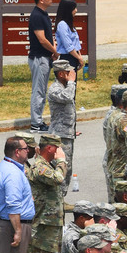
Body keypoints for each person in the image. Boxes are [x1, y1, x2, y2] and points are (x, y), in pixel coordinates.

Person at [28, 0, 57, 132]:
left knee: (42, 90)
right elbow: (41, 39)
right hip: (39, 59)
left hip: (45, 57)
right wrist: (54, 51)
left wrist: (52, 50)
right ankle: (36, 124)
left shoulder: (44, 14)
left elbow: (48, 37)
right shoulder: (36, 16)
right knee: (38, 91)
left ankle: (38, 121)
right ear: (41, 0)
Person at [46, 60, 77, 190]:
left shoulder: (64, 86)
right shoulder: (55, 89)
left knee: (68, 168)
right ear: (60, 74)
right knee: (61, 166)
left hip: (67, 133)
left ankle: (61, 198)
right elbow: (68, 97)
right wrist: (71, 82)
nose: (72, 74)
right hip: (59, 135)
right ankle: (58, 199)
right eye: (68, 72)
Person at [53, 0, 84, 73]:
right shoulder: (62, 25)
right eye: (74, 8)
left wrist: (79, 56)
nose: (76, 10)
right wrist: (79, 58)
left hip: (74, 56)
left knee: (73, 83)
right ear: (67, 10)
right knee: (69, 83)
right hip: (67, 58)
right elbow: (68, 46)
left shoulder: (69, 24)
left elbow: (75, 43)